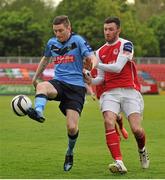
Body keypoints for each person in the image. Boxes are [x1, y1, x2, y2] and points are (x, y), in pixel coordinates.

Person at [26, 15, 98, 172]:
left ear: (69, 29)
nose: (57, 34)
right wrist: (35, 77)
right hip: (59, 83)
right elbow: (45, 60)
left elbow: (92, 57)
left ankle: (69, 152)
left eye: (60, 31)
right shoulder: (52, 43)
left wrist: (91, 68)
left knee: (72, 128)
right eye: (55, 31)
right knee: (42, 86)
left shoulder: (78, 40)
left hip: (76, 88)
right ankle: (38, 112)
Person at [84, 16, 149, 174]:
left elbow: (118, 67)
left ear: (118, 30)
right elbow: (100, 78)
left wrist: (95, 63)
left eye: (111, 29)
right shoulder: (99, 52)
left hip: (129, 91)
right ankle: (119, 162)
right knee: (108, 121)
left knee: (137, 130)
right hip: (110, 93)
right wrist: (90, 79)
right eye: (105, 29)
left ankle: (142, 151)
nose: (107, 32)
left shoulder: (126, 44)